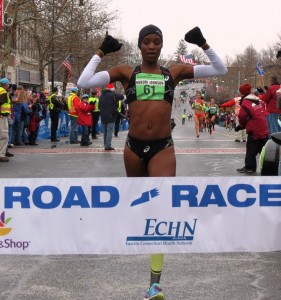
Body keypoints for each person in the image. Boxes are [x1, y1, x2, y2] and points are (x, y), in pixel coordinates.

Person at [77, 25, 227, 299]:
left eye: (157, 42)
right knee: (140, 209)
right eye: (146, 41)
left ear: (161, 46)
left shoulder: (175, 72)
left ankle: (154, 284)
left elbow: (221, 69)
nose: (151, 46)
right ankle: (135, 240)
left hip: (162, 148)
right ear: (139, 45)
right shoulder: (126, 72)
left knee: (159, 209)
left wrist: (203, 43)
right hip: (133, 148)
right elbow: (84, 82)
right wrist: (100, 51)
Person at [235, 83, 269, 174]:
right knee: (262, 149)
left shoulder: (246, 102)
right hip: (263, 126)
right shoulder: (257, 99)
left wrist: (240, 126)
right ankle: (268, 166)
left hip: (255, 129)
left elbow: (242, 116)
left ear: (242, 92)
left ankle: (249, 167)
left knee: (251, 148)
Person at [99, 83, 124, 150]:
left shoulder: (101, 95)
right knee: (110, 130)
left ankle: (105, 144)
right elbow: (122, 96)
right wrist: (115, 92)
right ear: (112, 89)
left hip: (103, 116)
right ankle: (108, 145)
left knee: (105, 131)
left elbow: (99, 105)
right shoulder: (113, 95)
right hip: (111, 115)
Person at [0, 78, 13, 162]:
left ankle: (3, 151)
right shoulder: (3, 92)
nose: (9, 86)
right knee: (4, 135)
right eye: (8, 84)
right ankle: (1, 154)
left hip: (3, 115)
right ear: (6, 84)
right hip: (2, 116)